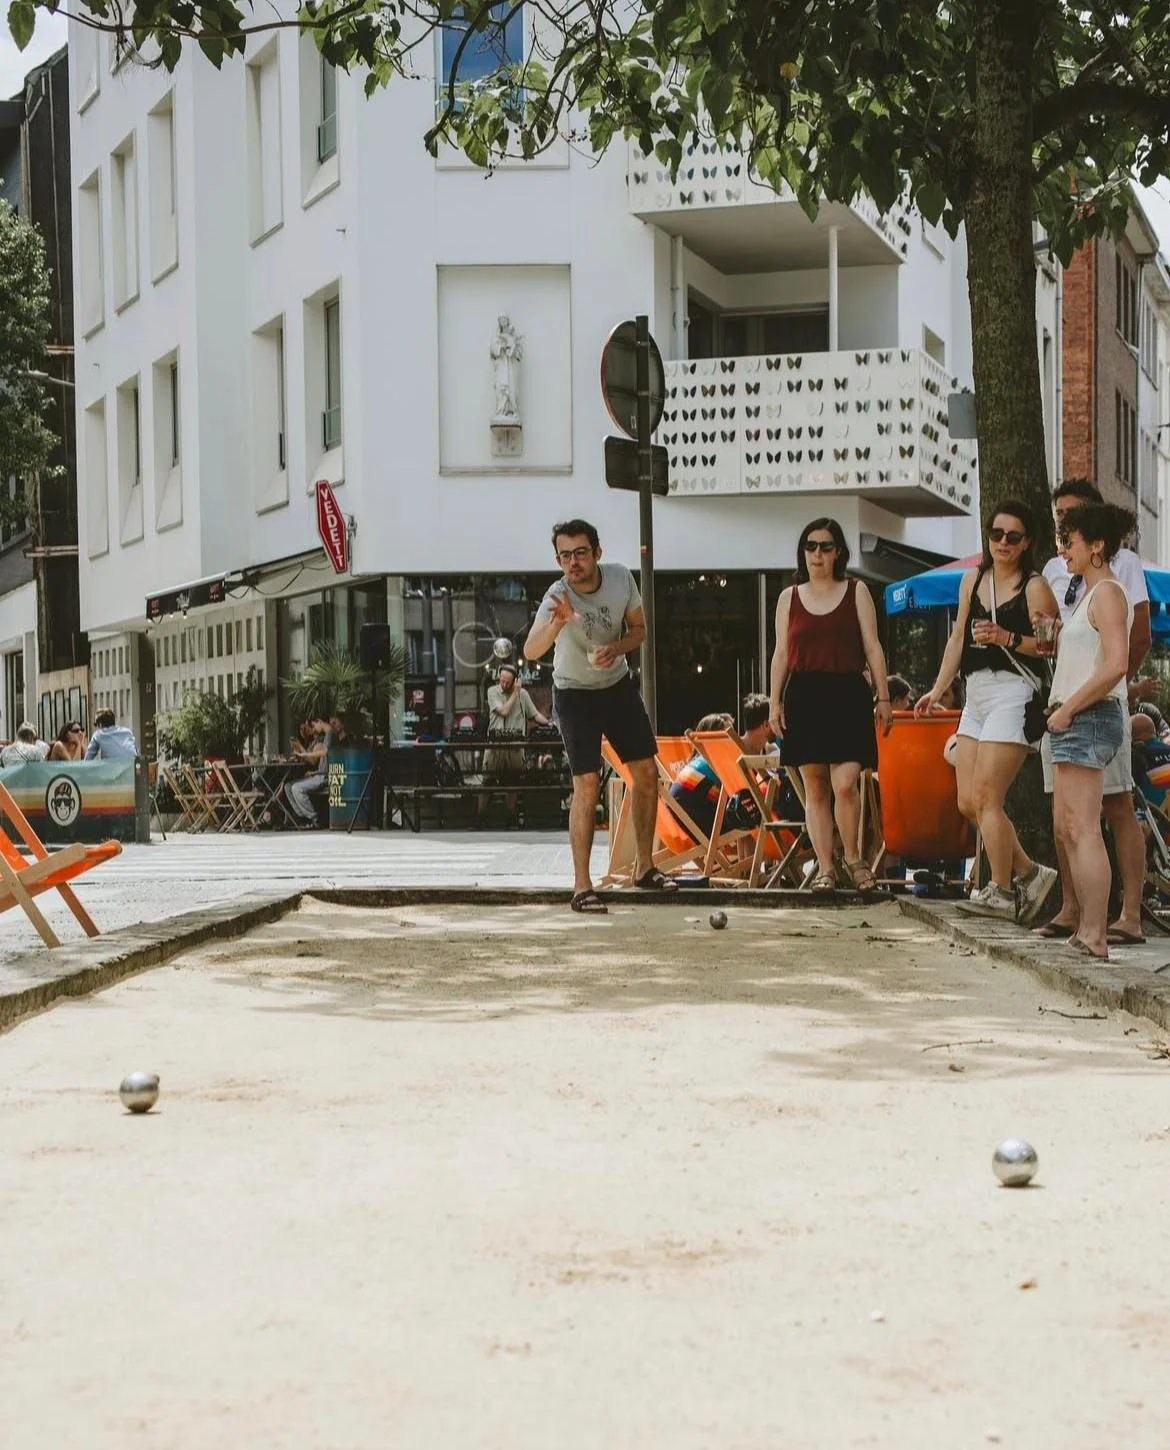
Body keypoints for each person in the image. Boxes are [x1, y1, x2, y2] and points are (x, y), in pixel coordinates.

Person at [914, 500, 1060, 922]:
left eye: (1013, 537)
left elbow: (1050, 646)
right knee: (967, 802)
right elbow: (957, 637)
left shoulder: (1034, 587)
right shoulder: (972, 579)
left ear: (1027, 541)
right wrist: (939, 689)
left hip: (1014, 693)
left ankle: (1001, 889)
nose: (1003, 543)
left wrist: (1006, 637)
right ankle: (1031, 873)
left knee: (987, 797)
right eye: (996, 534)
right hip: (974, 693)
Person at [524, 517, 672, 913]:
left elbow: (640, 629)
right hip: (573, 693)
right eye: (565, 556)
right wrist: (555, 624)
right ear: (558, 560)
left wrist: (618, 648)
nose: (573, 562)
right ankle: (582, 886)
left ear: (597, 553)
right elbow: (530, 651)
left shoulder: (622, 578)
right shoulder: (557, 595)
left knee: (645, 774)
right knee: (586, 784)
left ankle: (645, 868)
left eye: (580, 553)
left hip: (617, 686)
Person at [1039, 479, 1151, 946]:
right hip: (1073, 716)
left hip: (1088, 717)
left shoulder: (1109, 594)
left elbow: (1116, 665)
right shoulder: (1089, 594)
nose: (1063, 551)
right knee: (1068, 826)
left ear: (1097, 546)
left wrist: (1070, 710)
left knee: (1084, 827)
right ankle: (1088, 926)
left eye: (1071, 543)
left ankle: (1095, 932)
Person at [768, 517, 892, 892]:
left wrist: (883, 696)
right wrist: (774, 701)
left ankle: (853, 859)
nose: (817, 554)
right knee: (816, 788)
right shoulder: (788, 598)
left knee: (845, 784)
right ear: (802, 552)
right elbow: (781, 654)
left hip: (848, 694)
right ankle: (825, 868)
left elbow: (872, 646)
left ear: (838, 551)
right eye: (810, 546)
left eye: (825, 546)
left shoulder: (857, 590)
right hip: (804, 694)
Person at [483, 663, 549, 820]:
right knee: (487, 781)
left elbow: (534, 715)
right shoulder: (492, 691)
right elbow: (504, 711)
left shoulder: (523, 695)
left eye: (508, 682)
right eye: (502, 680)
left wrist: (549, 724)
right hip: (495, 745)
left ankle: (510, 817)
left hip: (515, 746)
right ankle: (480, 817)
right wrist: (516, 693)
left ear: (515, 681)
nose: (504, 684)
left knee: (513, 783)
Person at [668, 712, 736, 840]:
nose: (732, 740)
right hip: (692, 827)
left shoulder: (696, 762)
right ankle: (755, 859)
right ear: (711, 739)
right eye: (726, 736)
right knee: (746, 815)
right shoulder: (715, 763)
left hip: (675, 825)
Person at [287, 716, 333, 826]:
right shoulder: (327, 735)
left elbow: (324, 753)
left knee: (296, 788)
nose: (314, 729)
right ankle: (302, 817)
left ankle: (314, 818)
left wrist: (305, 753)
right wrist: (314, 772)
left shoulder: (328, 735)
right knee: (288, 786)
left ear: (319, 721)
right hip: (319, 774)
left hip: (324, 777)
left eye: (313, 725)